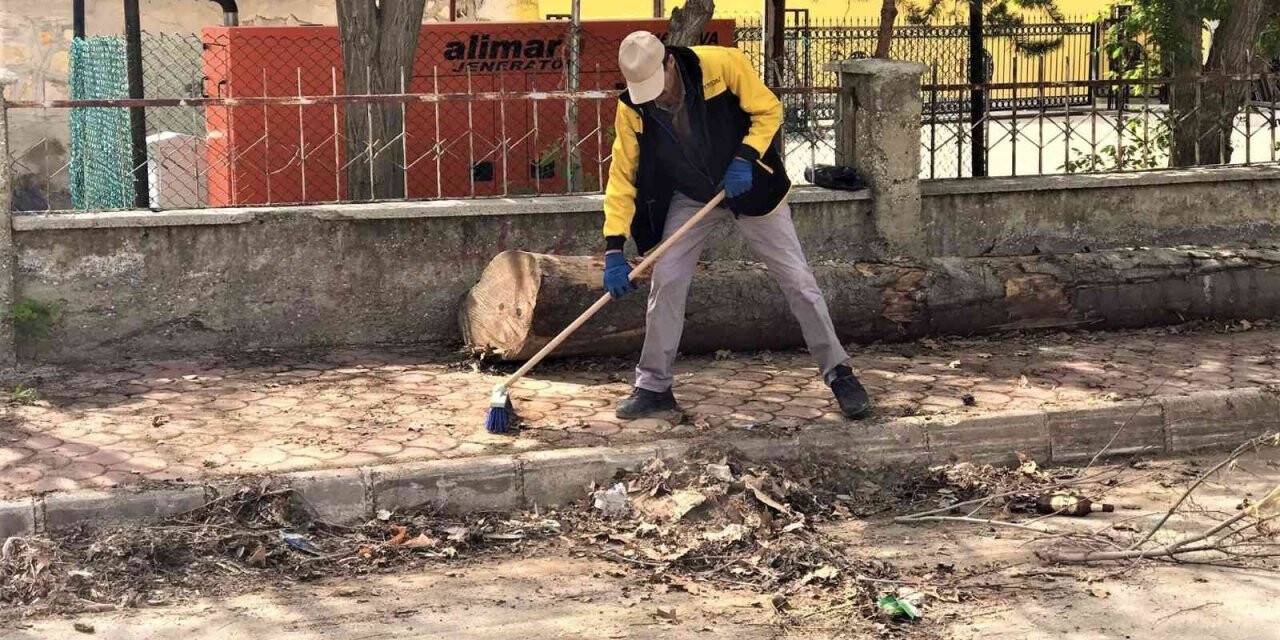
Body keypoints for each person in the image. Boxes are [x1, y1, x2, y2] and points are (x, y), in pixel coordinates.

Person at [601, 30, 872, 420]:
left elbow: (768, 110)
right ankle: (653, 386)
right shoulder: (632, 108)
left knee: (798, 281)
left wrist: (745, 157)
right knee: (667, 279)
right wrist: (613, 248)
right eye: (646, 91)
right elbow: (622, 177)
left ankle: (840, 373)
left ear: (670, 63)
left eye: (658, 86)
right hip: (693, 195)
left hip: (751, 186)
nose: (657, 97)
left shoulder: (720, 65)